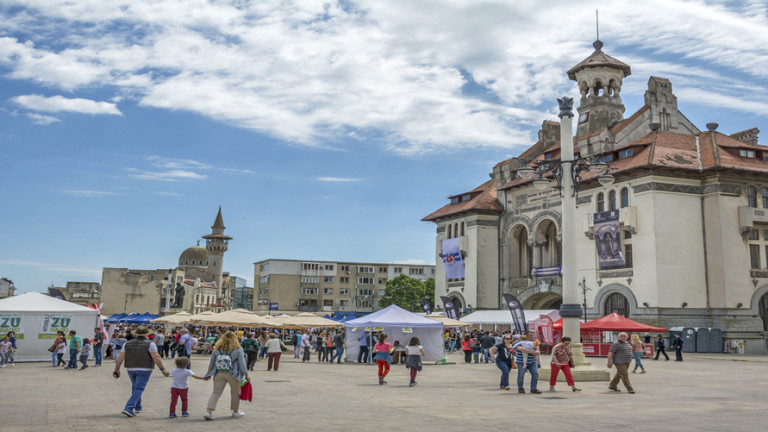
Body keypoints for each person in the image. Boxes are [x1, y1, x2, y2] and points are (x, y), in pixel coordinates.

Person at [113, 326, 170, 417]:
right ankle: (129, 407)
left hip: (130, 368)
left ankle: (138, 406)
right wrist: (162, 369)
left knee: (135, 387)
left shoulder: (127, 344)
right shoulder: (150, 344)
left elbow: (120, 357)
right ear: (147, 334)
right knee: (139, 388)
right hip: (145, 369)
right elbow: (156, 357)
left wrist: (117, 369)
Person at [203, 331, 249, 420]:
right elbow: (242, 363)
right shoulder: (238, 349)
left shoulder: (217, 348)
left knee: (215, 393)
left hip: (219, 372)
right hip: (233, 373)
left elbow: (212, 362)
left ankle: (208, 412)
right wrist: (246, 374)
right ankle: (235, 411)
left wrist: (209, 373)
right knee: (235, 393)